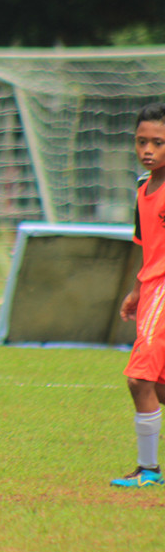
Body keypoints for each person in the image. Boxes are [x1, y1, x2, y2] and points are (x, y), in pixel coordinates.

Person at [114, 101, 165, 487]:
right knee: (158, 385)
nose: (147, 150)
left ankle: (148, 471)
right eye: (141, 141)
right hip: (151, 288)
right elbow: (145, 241)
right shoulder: (142, 188)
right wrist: (135, 289)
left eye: (158, 143)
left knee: (139, 379)